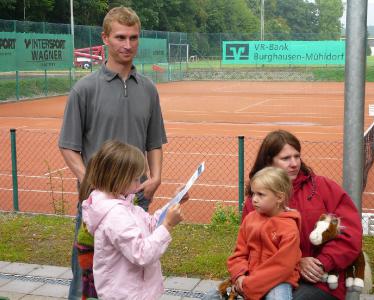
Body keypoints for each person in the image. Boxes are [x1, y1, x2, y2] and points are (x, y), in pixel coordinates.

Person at [58, 6, 167, 299]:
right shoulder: (84, 89)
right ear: (105, 38)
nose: (127, 45)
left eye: (133, 37)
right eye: (120, 37)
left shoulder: (148, 89)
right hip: (97, 203)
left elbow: (154, 141)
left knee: (133, 277)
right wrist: (93, 182)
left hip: (137, 199)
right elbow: (68, 146)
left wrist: (155, 177)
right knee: (86, 278)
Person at [241, 130, 363, 300]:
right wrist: (241, 277)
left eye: (297, 156)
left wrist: (323, 262)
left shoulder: (323, 187)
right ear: (269, 161)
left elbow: (350, 232)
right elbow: (249, 247)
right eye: (286, 158)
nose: (294, 164)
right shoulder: (256, 200)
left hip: (322, 280)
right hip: (272, 278)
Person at [78, 140, 185, 299]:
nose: (139, 182)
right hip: (126, 294)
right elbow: (141, 254)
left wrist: (175, 201)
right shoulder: (115, 215)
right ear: (117, 178)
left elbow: (150, 223)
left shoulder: (124, 204)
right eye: (135, 178)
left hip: (135, 291)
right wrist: (168, 225)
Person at [205, 167, 301, 300]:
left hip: (278, 281)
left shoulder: (289, 228)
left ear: (279, 197)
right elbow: (239, 253)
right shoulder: (250, 219)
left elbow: (283, 267)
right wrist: (239, 275)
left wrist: (249, 284)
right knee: (210, 297)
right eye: (253, 193)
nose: (254, 199)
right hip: (249, 275)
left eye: (261, 194)